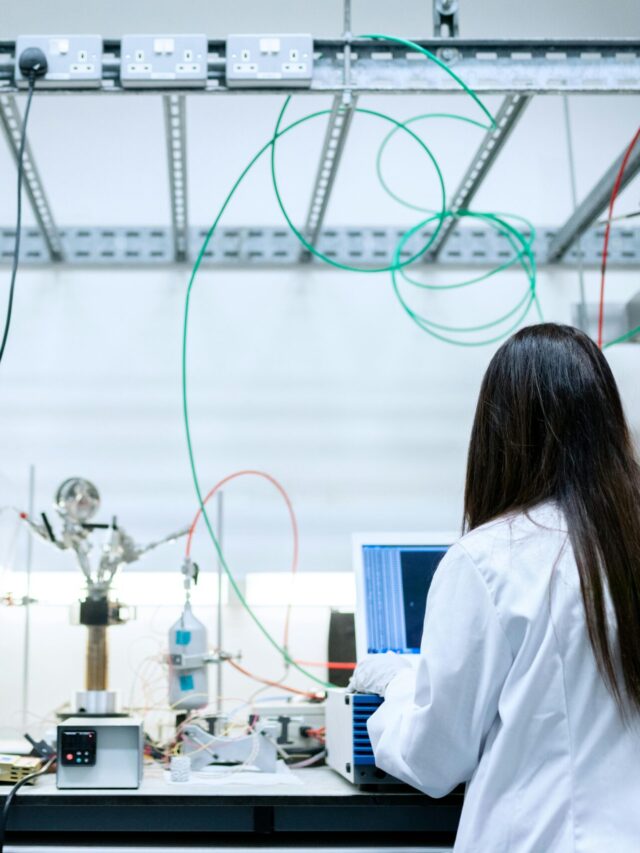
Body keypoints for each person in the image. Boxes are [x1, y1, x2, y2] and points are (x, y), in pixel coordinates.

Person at [350, 323, 640, 852]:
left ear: (499, 432)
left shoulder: (492, 559)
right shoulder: (626, 545)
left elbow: (434, 759)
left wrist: (395, 686)